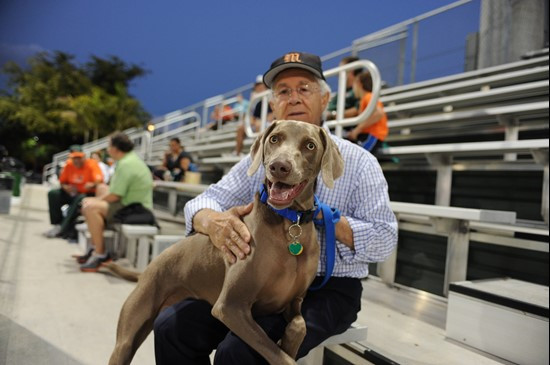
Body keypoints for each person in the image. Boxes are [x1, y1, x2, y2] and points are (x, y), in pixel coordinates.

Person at [153, 51, 398, 364]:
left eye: (304, 88)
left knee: (239, 353)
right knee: (171, 327)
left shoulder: (359, 162)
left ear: (325, 100)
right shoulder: (263, 157)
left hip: (328, 289)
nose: (293, 98)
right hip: (261, 281)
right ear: (274, 105)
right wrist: (213, 223)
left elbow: (384, 240)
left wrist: (319, 217)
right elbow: (204, 201)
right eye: (284, 91)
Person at [78, 132, 153, 272]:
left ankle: (101, 254)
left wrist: (94, 200)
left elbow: (115, 196)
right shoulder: (128, 160)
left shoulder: (126, 164)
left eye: (109, 146)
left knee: (90, 208)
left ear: (116, 149)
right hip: (131, 204)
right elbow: (112, 192)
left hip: (136, 209)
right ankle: (95, 247)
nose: (107, 149)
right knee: (100, 189)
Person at [44, 145, 103, 239]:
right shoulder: (69, 164)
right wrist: (66, 187)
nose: (76, 160)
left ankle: (63, 227)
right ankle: (57, 224)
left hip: (87, 193)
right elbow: (62, 182)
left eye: (78, 157)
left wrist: (91, 185)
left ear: (83, 156)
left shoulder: (92, 164)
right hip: (72, 193)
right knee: (53, 194)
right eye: (74, 158)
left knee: (79, 198)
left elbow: (99, 180)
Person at [346, 71, 388, 154]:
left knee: (358, 156)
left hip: (372, 136)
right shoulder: (363, 100)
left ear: (359, 84)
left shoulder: (368, 96)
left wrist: (357, 130)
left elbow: (379, 113)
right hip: (367, 135)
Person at [233, 75, 273, 156]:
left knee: (259, 125)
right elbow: (253, 117)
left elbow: (274, 113)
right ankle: (237, 153)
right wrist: (253, 122)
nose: (259, 87)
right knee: (240, 128)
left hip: (270, 122)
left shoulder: (271, 95)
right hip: (259, 122)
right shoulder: (256, 100)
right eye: (257, 85)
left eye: (261, 84)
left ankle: (259, 154)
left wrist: (262, 121)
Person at [326, 56, 361, 121]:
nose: (338, 74)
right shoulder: (340, 93)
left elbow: (358, 109)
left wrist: (333, 115)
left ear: (351, 71)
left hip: (345, 128)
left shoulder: (360, 90)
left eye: (341, 69)